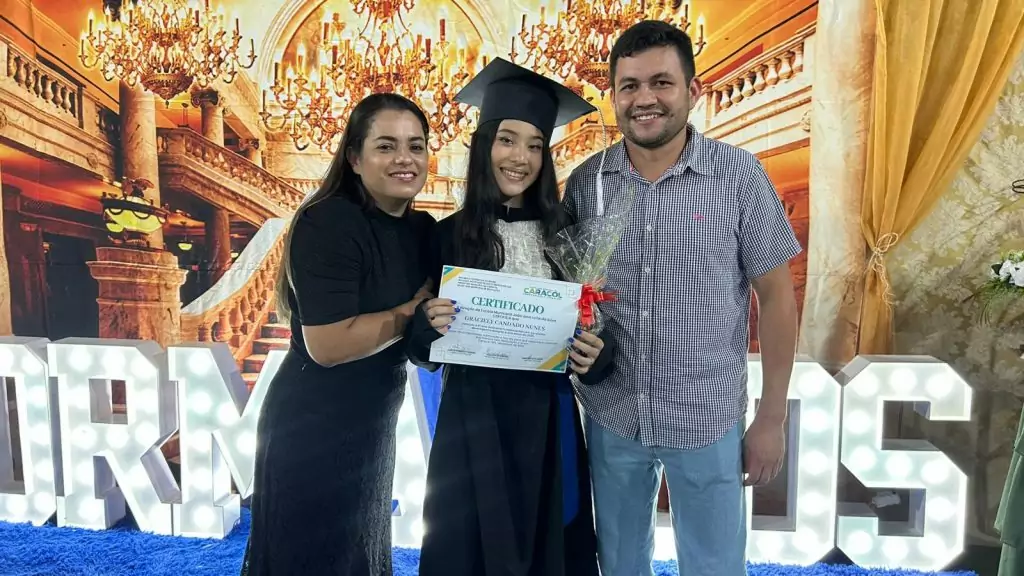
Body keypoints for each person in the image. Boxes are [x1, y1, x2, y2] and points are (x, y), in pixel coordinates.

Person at [561, 21, 802, 576]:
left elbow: (776, 297)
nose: (644, 99)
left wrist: (771, 417)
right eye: (629, 86)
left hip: (706, 417)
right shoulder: (587, 183)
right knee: (620, 563)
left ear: (692, 92)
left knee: (714, 565)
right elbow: (569, 293)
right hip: (613, 413)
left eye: (661, 83)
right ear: (613, 97)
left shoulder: (739, 177)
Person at [408, 57, 613, 576]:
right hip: (472, 419)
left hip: (549, 417)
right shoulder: (445, 235)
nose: (520, 157)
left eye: (535, 144)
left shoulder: (568, 235)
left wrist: (598, 354)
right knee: (470, 545)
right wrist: (425, 325)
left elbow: (593, 335)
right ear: (484, 147)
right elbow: (419, 351)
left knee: (552, 545)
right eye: (507, 139)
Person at [241, 93, 436, 576]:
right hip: (312, 428)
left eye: (416, 146)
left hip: (372, 423)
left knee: (360, 552)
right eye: (386, 146)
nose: (404, 159)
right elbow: (328, 346)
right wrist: (410, 312)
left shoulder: (423, 230)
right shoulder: (327, 220)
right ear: (354, 157)